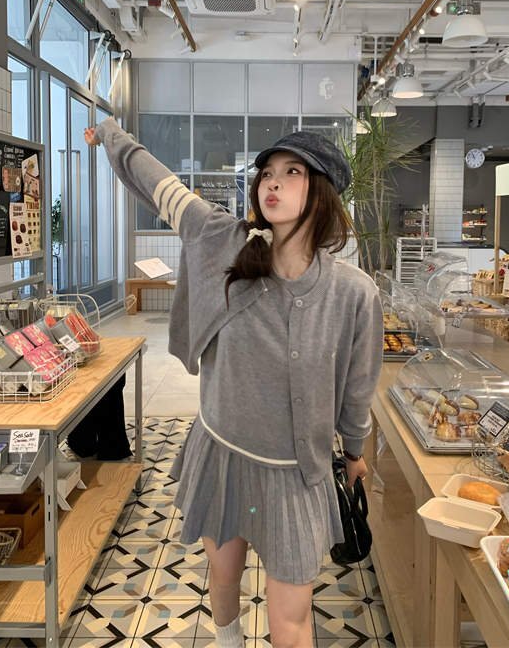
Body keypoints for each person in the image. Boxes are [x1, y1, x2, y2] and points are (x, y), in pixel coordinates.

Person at [84, 119, 383, 648]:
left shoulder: (354, 293)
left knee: (291, 619)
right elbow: (158, 184)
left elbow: (359, 384)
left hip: (297, 475)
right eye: (267, 173)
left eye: (292, 172)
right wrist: (111, 134)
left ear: (322, 191)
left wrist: (355, 449)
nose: (273, 182)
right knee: (224, 581)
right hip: (224, 455)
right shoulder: (223, 241)